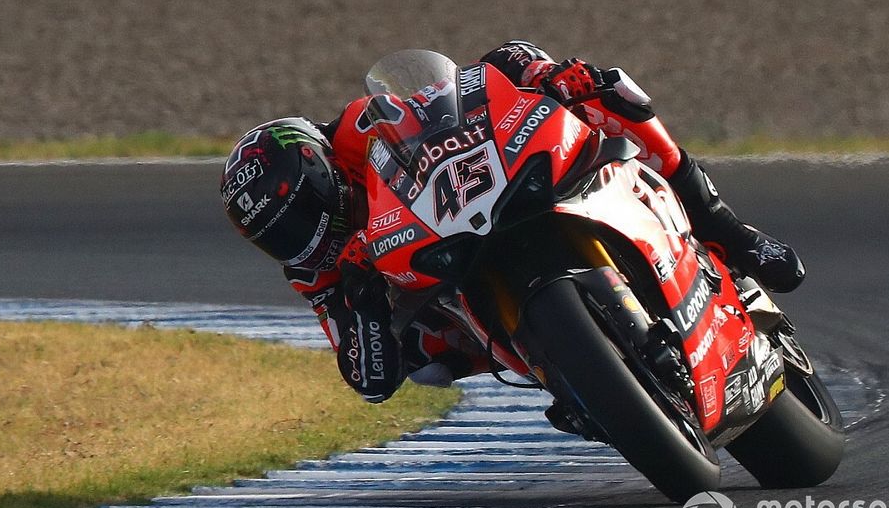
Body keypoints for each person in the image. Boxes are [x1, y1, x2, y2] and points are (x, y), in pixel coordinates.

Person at [220, 40, 805, 410]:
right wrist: (365, 303)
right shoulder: (311, 269)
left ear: (322, 168)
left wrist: (543, 75)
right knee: (424, 360)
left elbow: (456, 94)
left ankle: (724, 227)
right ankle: (560, 369)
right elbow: (368, 379)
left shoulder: (357, 128)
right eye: (281, 236)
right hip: (440, 280)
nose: (304, 235)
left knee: (601, 92)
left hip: (468, 201)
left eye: (302, 211)